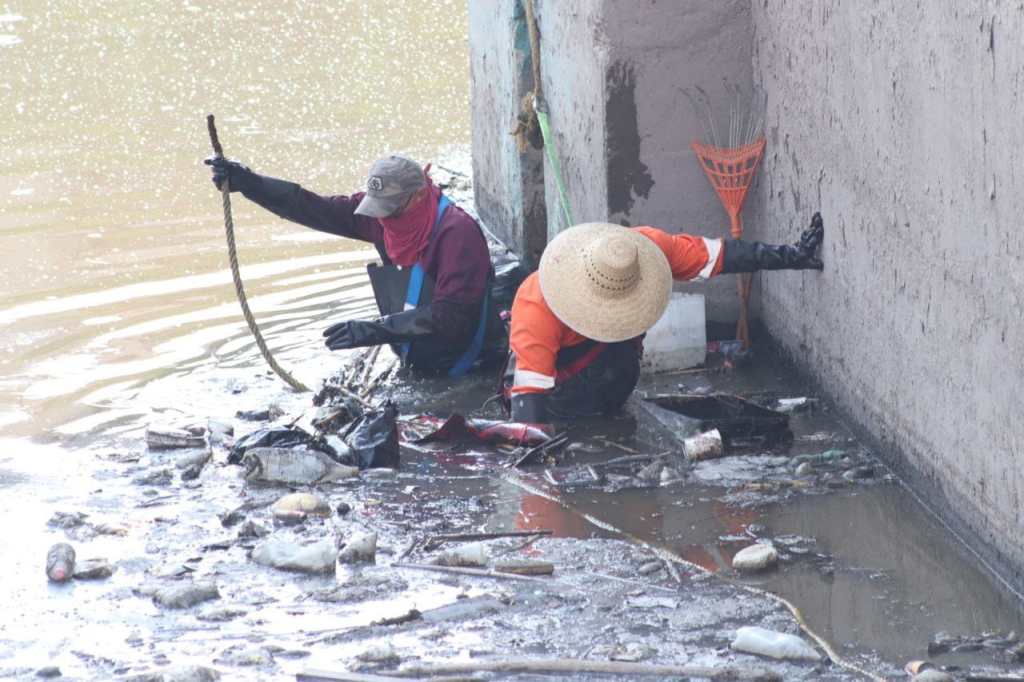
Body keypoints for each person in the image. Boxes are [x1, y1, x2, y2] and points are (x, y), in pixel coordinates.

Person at [504, 215, 825, 422]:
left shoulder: (641, 253)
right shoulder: (537, 305)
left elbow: (718, 257)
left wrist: (792, 255)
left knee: (619, 372)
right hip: (557, 391)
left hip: (612, 367)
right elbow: (528, 403)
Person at [205, 154, 502, 375]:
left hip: (468, 361)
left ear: (419, 196)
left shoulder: (457, 234)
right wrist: (250, 184)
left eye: (390, 210)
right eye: (377, 209)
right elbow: (314, 208)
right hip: (418, 353)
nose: (382, 218)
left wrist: (376, 330)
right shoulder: (380, 219)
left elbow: (454, 316)